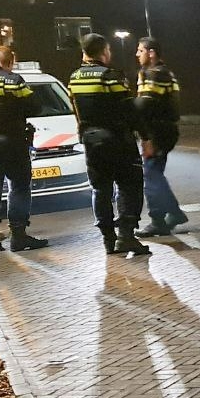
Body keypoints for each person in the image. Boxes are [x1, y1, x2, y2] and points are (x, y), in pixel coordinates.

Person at [69, 33, 150, 255]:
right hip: (118, 139)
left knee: (100, 188)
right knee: (129, 185)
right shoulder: (111, 76)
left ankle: (108, 238)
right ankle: (126, 235)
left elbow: (76, 109)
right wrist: (145, 137)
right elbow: (129, 109)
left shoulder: (74, 77)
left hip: (91, 141)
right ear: (104, 51)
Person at [0, 47, 48, 252]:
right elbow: (36, 107)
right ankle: (18, 235)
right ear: (10, 62)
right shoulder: (12, 80)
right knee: (19, 186)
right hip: (14, 142)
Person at [133, 37, 189, 236]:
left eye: (140, 51)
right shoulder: (165, 73)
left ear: (152, 52)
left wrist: (146, 138)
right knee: (154, 174)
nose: (137, 55)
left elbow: (144, 106)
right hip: (164, 130)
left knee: (150, 176)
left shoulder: (154, 74)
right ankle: (172, 214)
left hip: (157, 132)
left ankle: (159, 219)